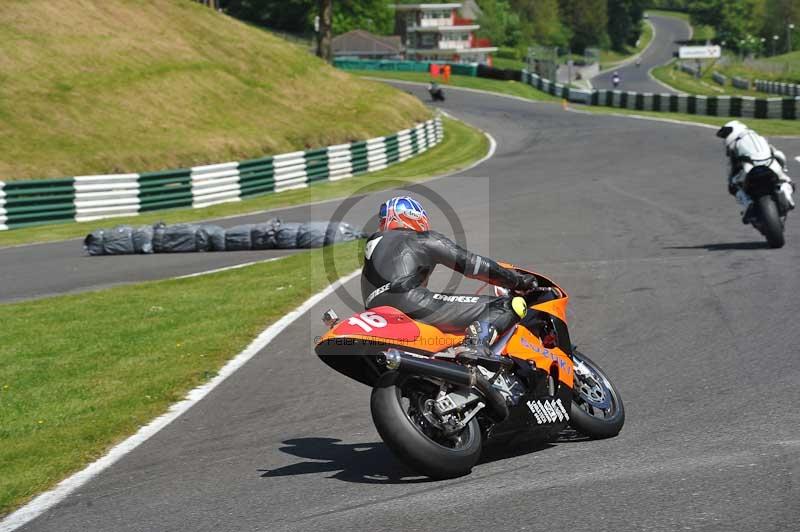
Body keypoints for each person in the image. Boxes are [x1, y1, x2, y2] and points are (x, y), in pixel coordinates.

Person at [361, 196, 539, 363]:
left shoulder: (373, 243)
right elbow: (472, 264)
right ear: (414, 217)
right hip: (409, 301)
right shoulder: (420, 239)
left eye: (382, 218)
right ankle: (475, 347)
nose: (381, 222)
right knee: (509, 305)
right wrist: (517, 281)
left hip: (373, 310)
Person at [716, 120, 795, 221]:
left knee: (733, 186)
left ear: (734, 130)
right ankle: (786, 194)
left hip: (750, 169)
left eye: (726, 134)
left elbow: (733, 169)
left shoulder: (734, 145)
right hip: (772, 166)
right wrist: (783, 169)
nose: (725, 139)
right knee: (787, 181)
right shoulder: (760, 137)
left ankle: (748, 203)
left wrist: (731, 179)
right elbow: (778, 154)